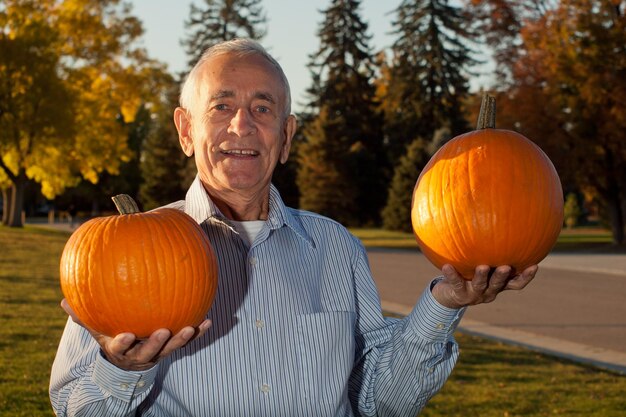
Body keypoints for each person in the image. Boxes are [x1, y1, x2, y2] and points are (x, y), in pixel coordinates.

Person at [49, 38, 538, 417]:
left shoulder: (335, 247)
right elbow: (74, 408)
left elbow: (381, 402)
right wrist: (121, 370)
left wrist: (443, 303)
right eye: (221, 106)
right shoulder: (122, 259)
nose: (242, 126)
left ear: (286, 137)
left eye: (263, 109)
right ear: (185, 130)